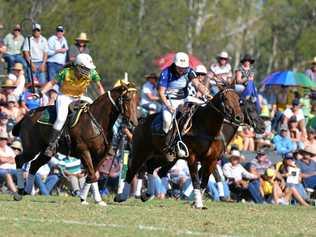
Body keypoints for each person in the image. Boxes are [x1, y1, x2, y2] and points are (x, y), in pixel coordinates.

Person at [39, 53, 105, 157]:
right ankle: (51, 145)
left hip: (80, 97)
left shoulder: (92, 73)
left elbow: (99, 87)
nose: (88, 71)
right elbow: (52, 83)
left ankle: (101, 140)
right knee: (61, 119)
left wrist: (103, 100)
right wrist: (41, 92)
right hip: (65, 97)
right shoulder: (66, 72)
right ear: (78, 67)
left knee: (95, 113)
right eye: (86, 69)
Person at [158, 52, 210, 154]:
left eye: (184, 67)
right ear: (175, 65)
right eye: (180, 67)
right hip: (170, 100)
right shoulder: (166, 73)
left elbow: (197, 84)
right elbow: (161, 92)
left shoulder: (189, 71)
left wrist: (205, 91)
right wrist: (168, 106)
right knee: (167, 121)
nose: (182, 70)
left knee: (205, 106)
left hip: (185, 98)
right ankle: (167, 144)